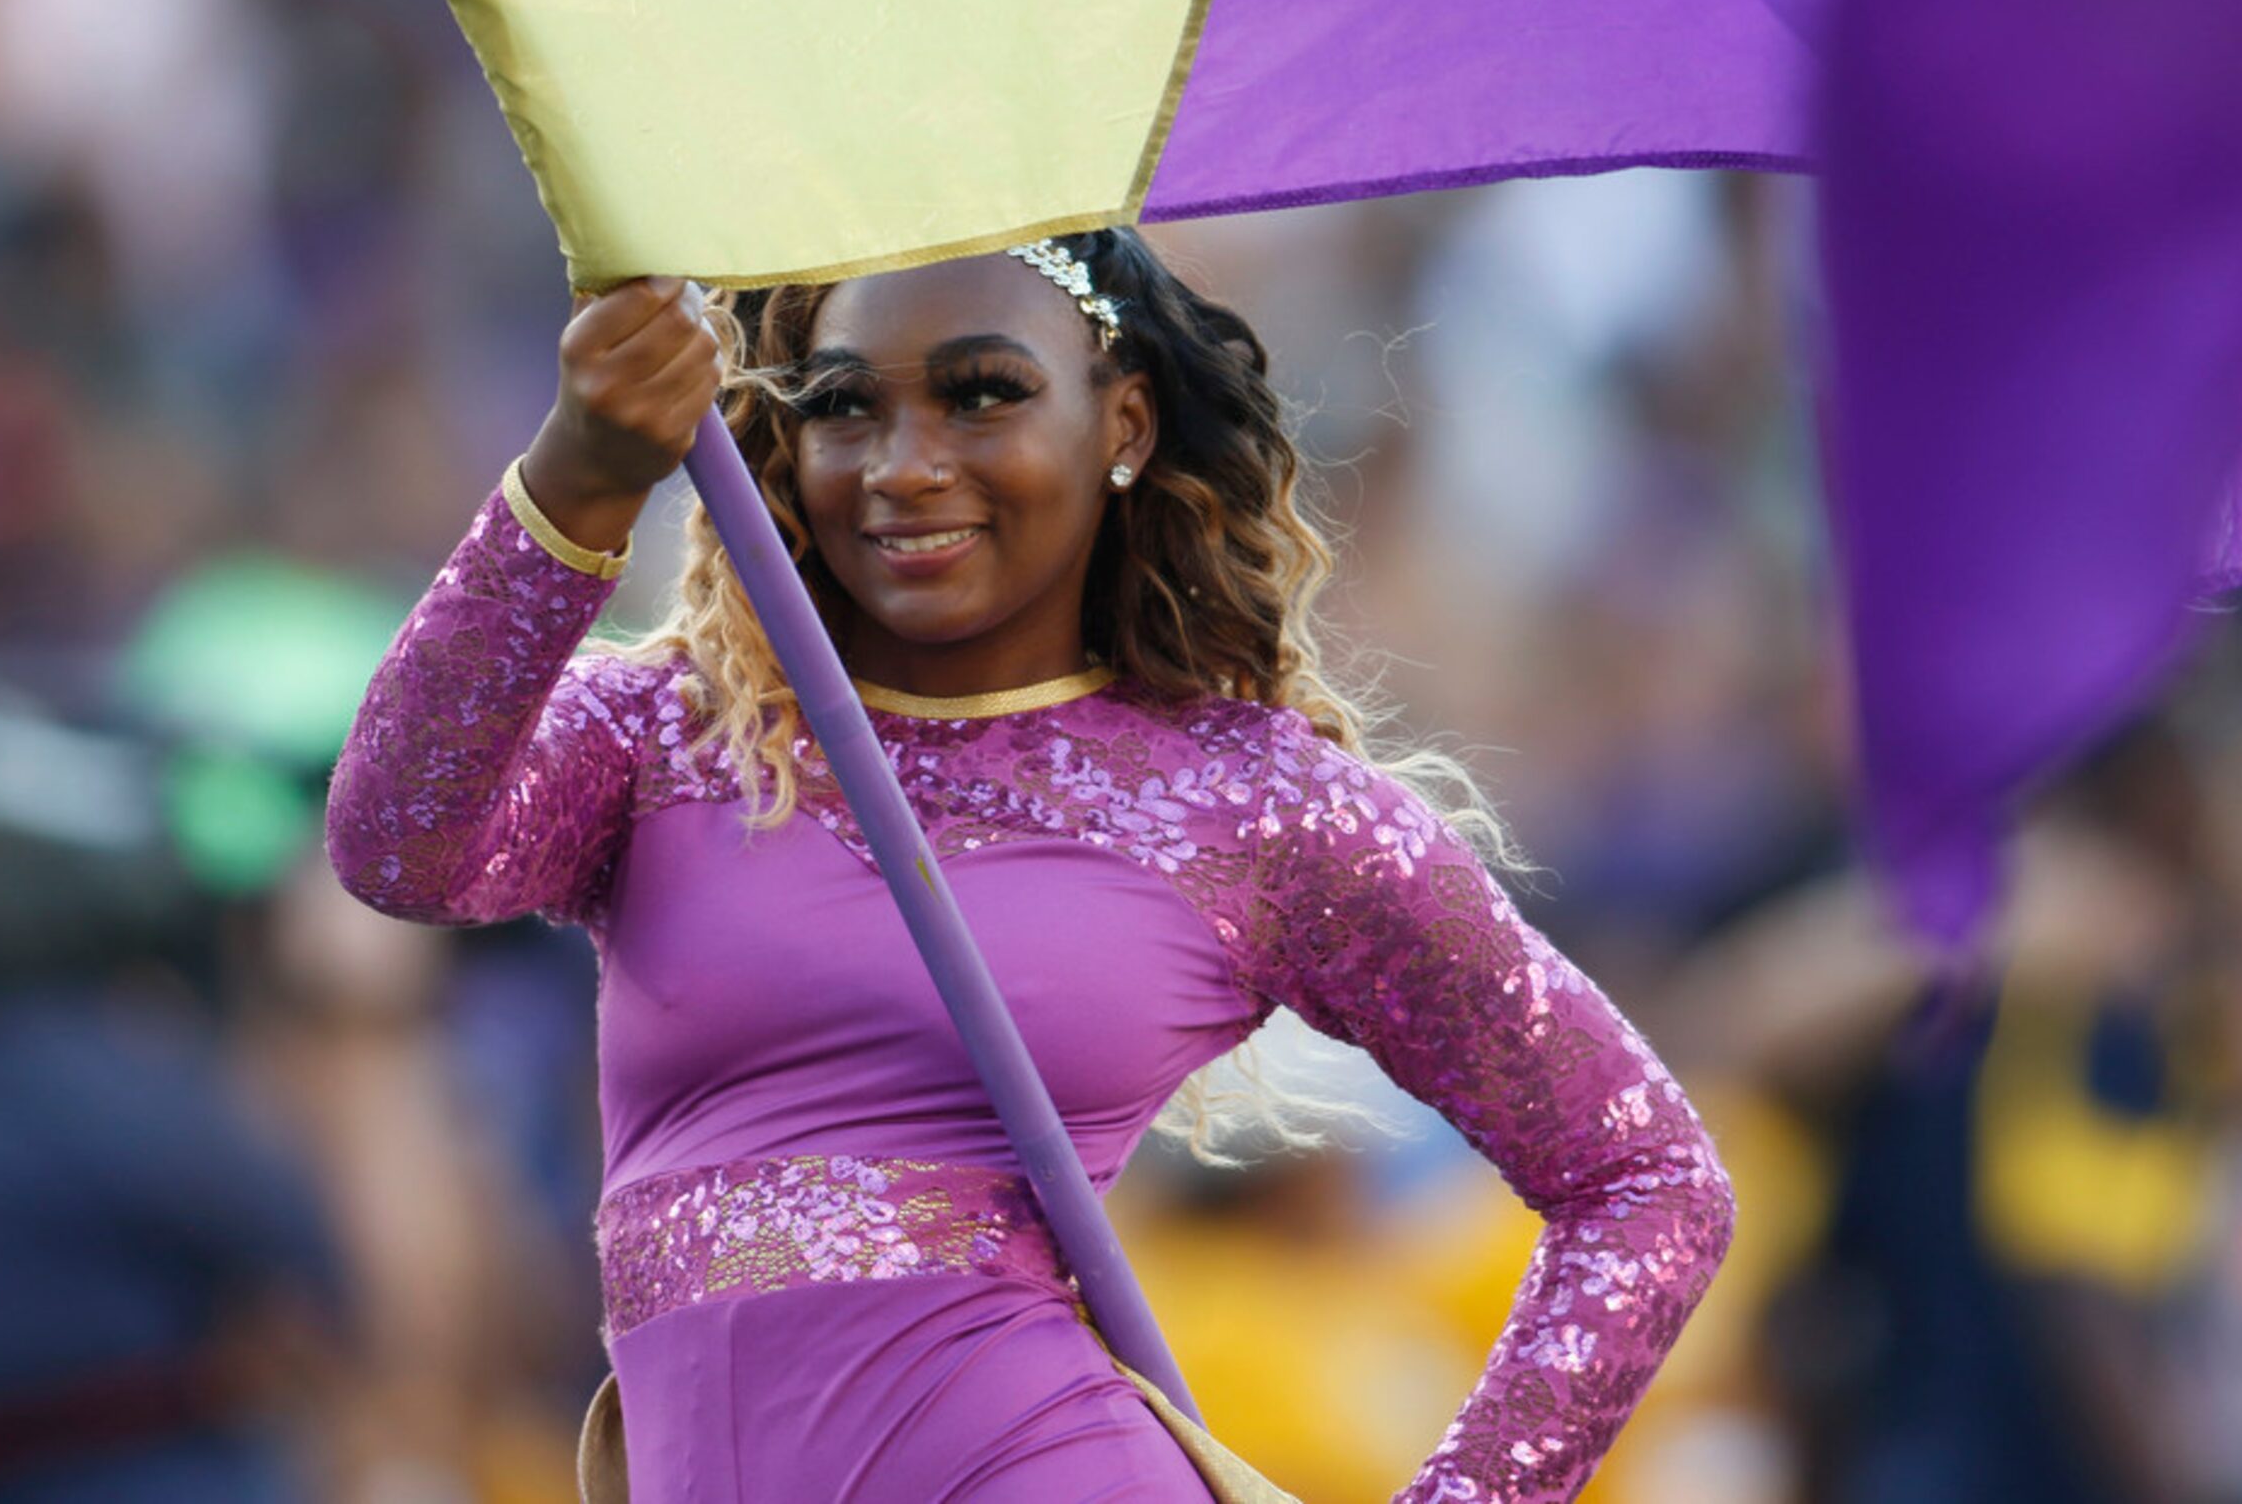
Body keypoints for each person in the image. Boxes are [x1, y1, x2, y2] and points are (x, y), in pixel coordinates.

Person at [328, 228, 1734, 1502]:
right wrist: (575, 476)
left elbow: (1648, 1176)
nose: (904, 463)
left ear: (1121, 421)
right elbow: (398, 842)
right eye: (840, 404)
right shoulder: (668, 729)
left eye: (981, 391)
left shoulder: (1251, 805)